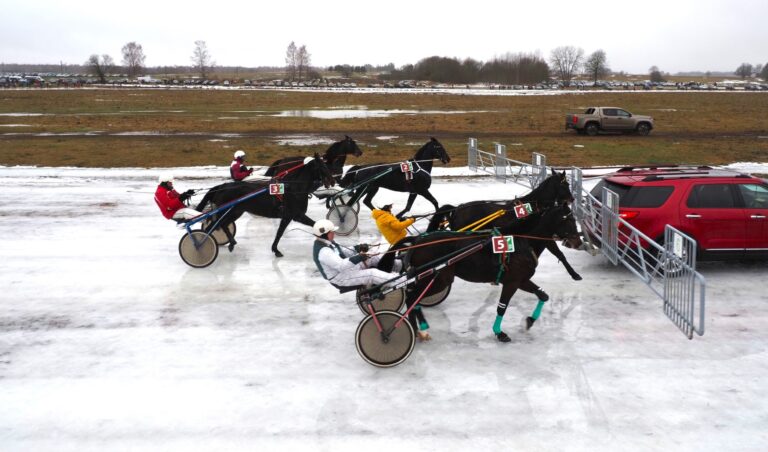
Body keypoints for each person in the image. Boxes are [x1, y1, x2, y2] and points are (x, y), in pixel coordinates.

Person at [312, 219, 406, 290]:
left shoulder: (327, 242)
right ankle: (402, 280)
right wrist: (359, 257)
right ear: (326, 234)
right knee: (371, 274)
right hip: (340, 278)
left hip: (345, 270)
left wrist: (357, 248)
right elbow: (341, 265)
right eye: (332, 232)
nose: (334, 233)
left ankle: (400, 265)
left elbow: (341, 253)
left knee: (372, 257)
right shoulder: (324, 251)